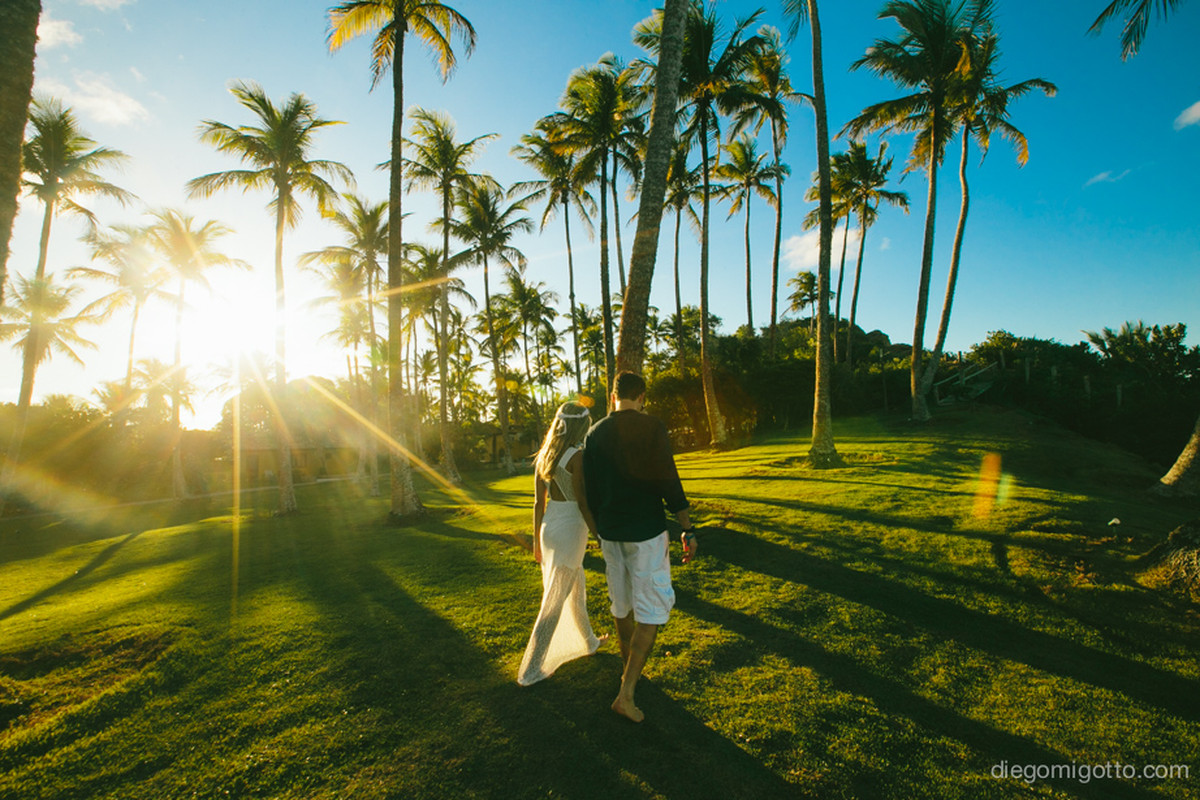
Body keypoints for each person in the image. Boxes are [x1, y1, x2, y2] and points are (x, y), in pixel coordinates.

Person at [583, 371, 696, 722]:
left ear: (613, 395)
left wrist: (600, 528)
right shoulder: (652, 427)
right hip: (645, 533)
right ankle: (626, 693)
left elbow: (590, 488)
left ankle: (628, 669)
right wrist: (687, 528)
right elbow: (668, 478)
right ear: (642, 395)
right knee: (651, 611)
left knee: (622, 604)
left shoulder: (595, 433)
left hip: (611, 533)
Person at [517, 401, 604, 686]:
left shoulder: (545, 455)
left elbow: (537, 504)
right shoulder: (576, 456)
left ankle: (588, 641)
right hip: (570, 529)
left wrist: (536, 543)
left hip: (549, 528)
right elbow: (583, 502)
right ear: (580, 426)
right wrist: (599, 535)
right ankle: (532, 667)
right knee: (554, 600)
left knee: (576, 588)